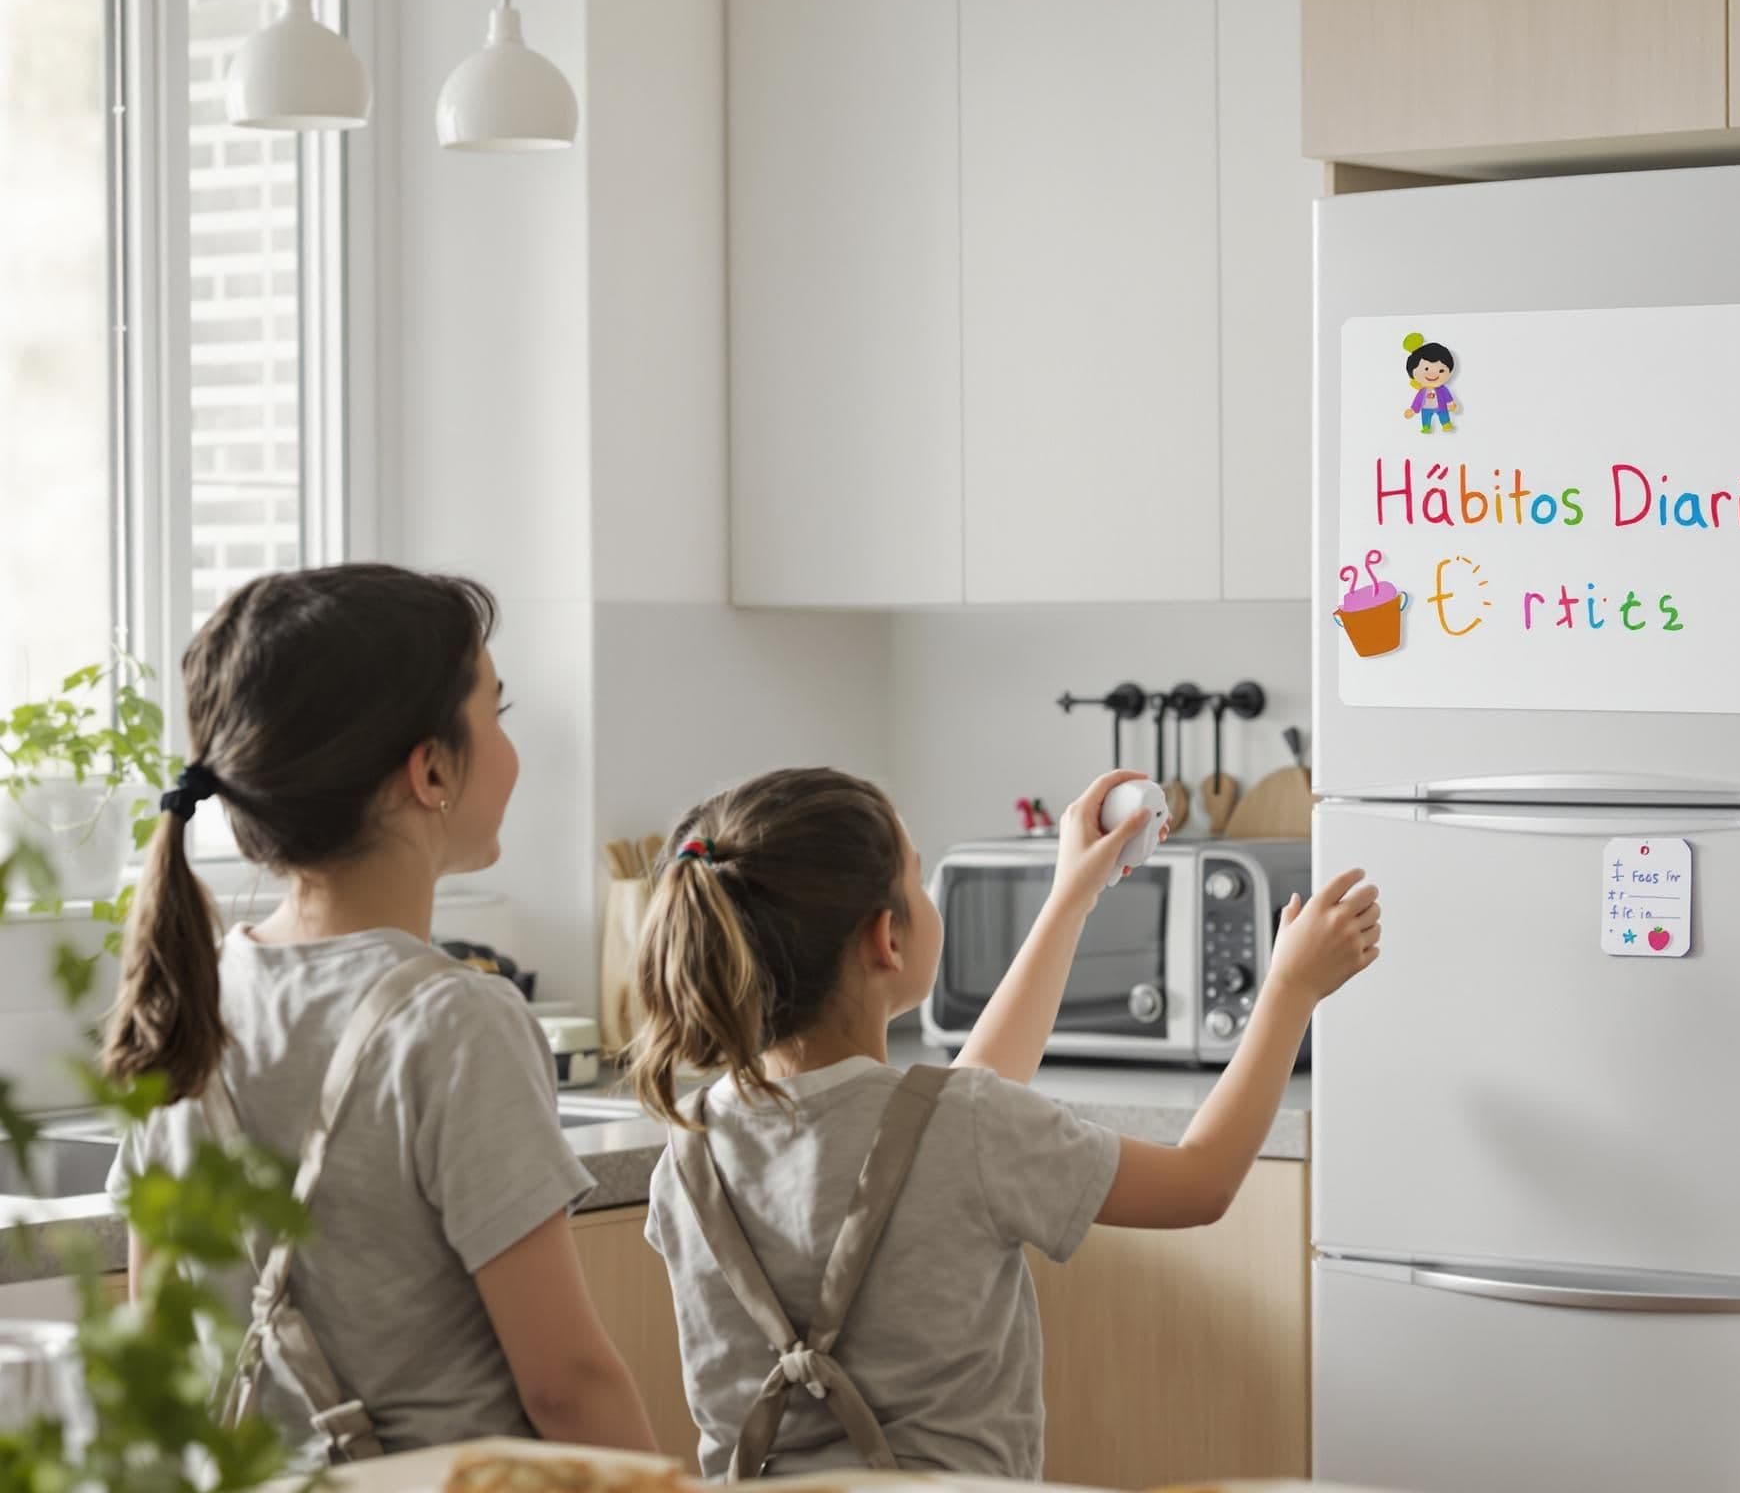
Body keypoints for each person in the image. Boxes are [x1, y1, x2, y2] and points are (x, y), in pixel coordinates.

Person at [626, 766, 1379, 1479]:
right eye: (919, 880)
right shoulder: (968, 1129)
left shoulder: (689, 1150)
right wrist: (1288, 991)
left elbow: (940, 1117)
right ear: (885, 939)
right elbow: (1199, 1184)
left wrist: (1070, 897)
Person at [106, 564, 660, 1465]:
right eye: (498, 713)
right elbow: (567, 1383)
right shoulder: (456, 1022)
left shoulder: (190, 997)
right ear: (432, 768)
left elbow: (155, 1360)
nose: (513, 749)